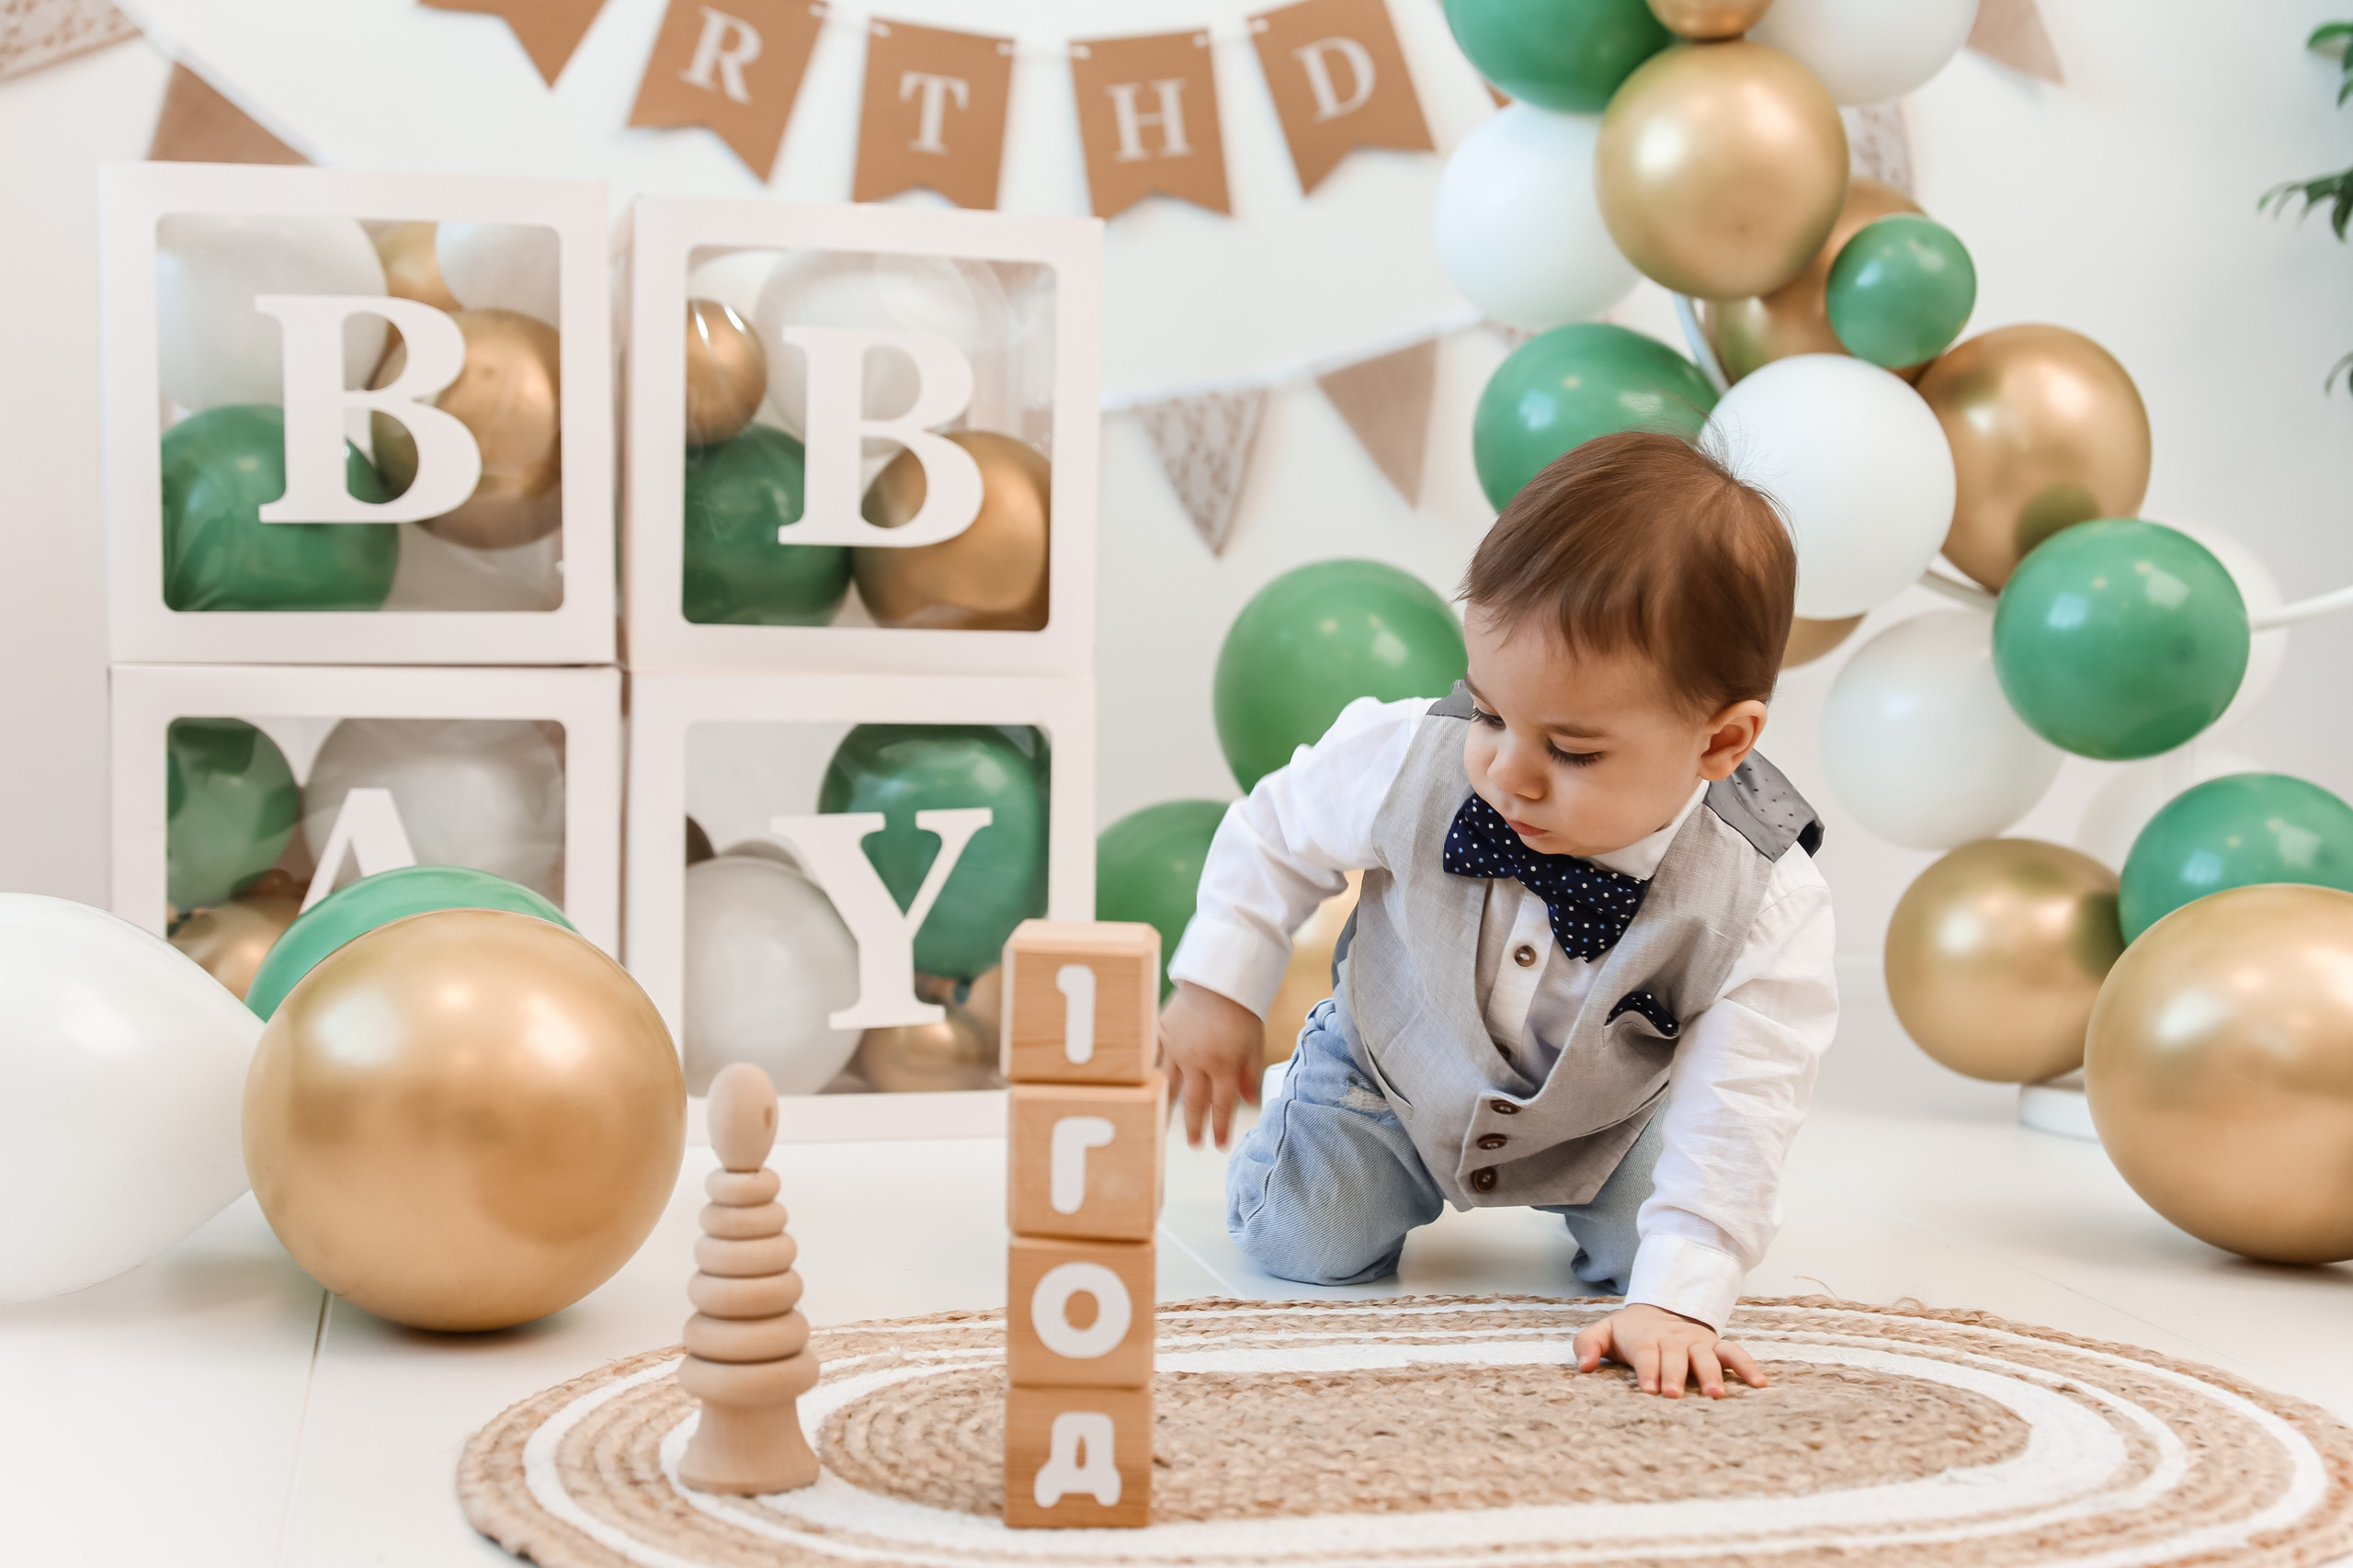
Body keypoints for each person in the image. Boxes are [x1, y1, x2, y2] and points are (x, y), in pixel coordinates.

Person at [1161, 429, 1836, 1402]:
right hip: (1393, 1073)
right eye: (1486, 712)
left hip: (1604, 1119)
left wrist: (1681, 1294)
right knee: (1302, 1240)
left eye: (1570, 748)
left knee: (1661, 1263)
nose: (1506, 771)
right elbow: (1277, 827)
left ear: (1720, 741)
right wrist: (1220, 985)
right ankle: (1314, 1093)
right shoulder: (1409, 755)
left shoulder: (1762, 896)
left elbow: (1742, 1103)